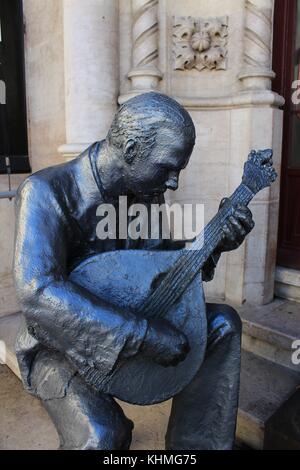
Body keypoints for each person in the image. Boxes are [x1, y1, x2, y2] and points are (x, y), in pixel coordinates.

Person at [14, 92, 254, 450]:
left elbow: (163, 266)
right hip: (59, 348)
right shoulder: (46, 192)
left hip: (142, 320)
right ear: (129, 150)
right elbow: (37, 291)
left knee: (222, 325)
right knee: (103, 438)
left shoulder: (146, 193)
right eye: (167, 168)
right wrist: (141, 335)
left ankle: (197, 444)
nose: (173, 182)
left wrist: (214, 241)